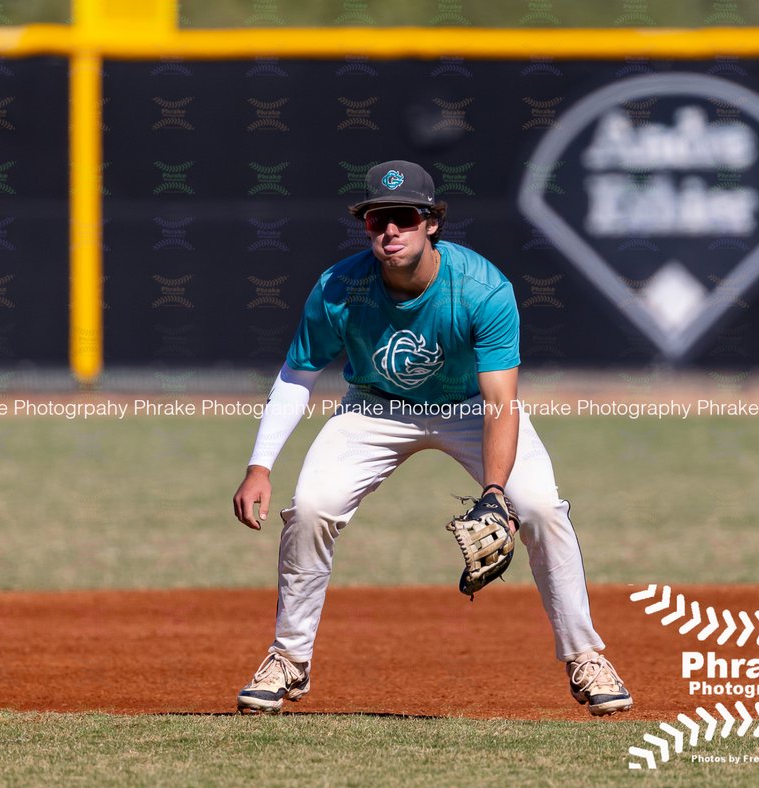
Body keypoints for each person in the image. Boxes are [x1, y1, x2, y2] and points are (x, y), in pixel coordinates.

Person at [231, 160, 632, 717]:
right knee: (312, 509)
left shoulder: (481, 289)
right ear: (366, 226)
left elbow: (500, 403)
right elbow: (297, 374)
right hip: (374, 409)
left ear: (431, 223)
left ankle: (586, 658)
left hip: (469, 407)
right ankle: (288, 659)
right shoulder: (340, 288)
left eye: (404, 217)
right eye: (377, 220)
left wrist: (495, 493)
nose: (390, 231)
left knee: (540, 509)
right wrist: (260, 465)